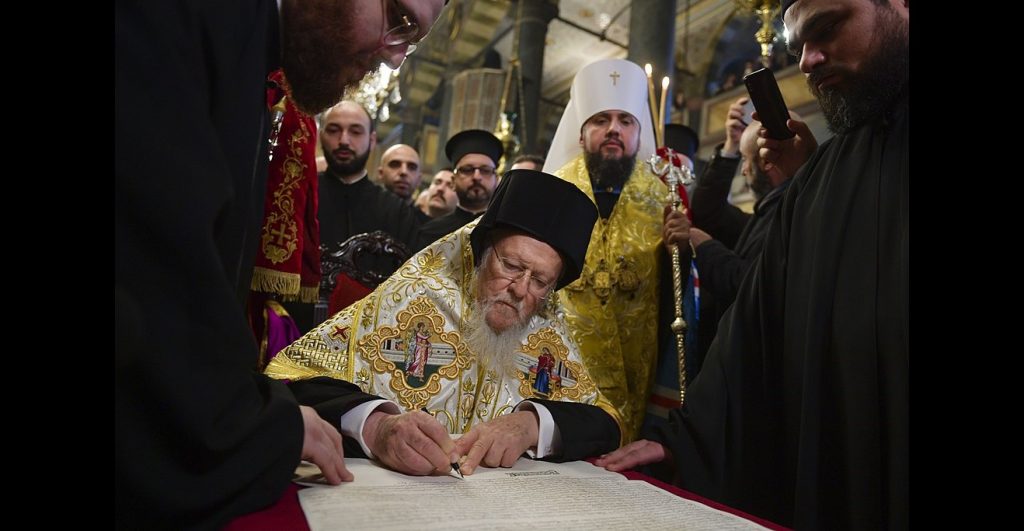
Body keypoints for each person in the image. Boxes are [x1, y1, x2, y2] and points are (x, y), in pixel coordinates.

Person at [116, 0, 446, 527]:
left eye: (410, 42)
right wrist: (260, 426)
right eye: (398, 20)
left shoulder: (255, 53)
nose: (392, 59)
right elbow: (151, 277)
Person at [596, 1, 908, 528]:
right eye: (798, 48)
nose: (807, 61)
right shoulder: (822, 175)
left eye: (828, 29)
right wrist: (685, 442)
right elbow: (757, 326)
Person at [266, 169, 622, 477]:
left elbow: (607, 422)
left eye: (540, 281)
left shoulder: (546, 327)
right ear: (481, 253)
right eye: (511, 266)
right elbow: (292, 376)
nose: (519, 290)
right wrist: (377, 424)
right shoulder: (416, 295)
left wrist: (534, 423)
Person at [543, 58, 690, 441]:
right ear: (581, 133)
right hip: (561, 371)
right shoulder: (551, 193)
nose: (613, 130)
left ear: (639, 135)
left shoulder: (663, 200)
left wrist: (686, 248)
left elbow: (680, 298)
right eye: (600, 120)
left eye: (625, 121)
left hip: (636, 375)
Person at [414, 129, 504, 251]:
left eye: (485, 170)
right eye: (467, 169)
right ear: (453, 181)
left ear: (496, 180)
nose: (477, 177)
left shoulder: (506, 232)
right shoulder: (430, 232)